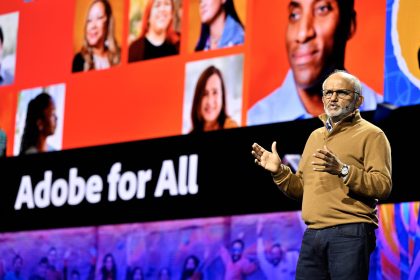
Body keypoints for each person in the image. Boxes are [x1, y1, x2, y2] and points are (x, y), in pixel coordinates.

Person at [251, 70, 392, 279]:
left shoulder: (372, 135)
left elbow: (382, 185)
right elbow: (301, 189)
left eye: (341, 92)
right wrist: (280, 172)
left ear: (359, 99)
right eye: (328, 92)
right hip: (313, 235)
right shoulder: (315, 136)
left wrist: (343, 170)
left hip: (350, 233)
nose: (333, 98)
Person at [247, 0, 383, 126]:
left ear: (349, 24)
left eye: (322, 9)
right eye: (294, 15)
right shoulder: (255, 120)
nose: (302, 34)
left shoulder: (383, 113)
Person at [72, 0, 121, 72]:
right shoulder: (79, 61)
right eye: (89, 20)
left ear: (108, 23)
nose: (92, 26)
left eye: (99, 18)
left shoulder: (119, 56)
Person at [189, 65, 238, 133]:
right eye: (205, 94)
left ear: (222, 96)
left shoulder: (232, 126)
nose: (210, 101)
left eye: (215, 92)